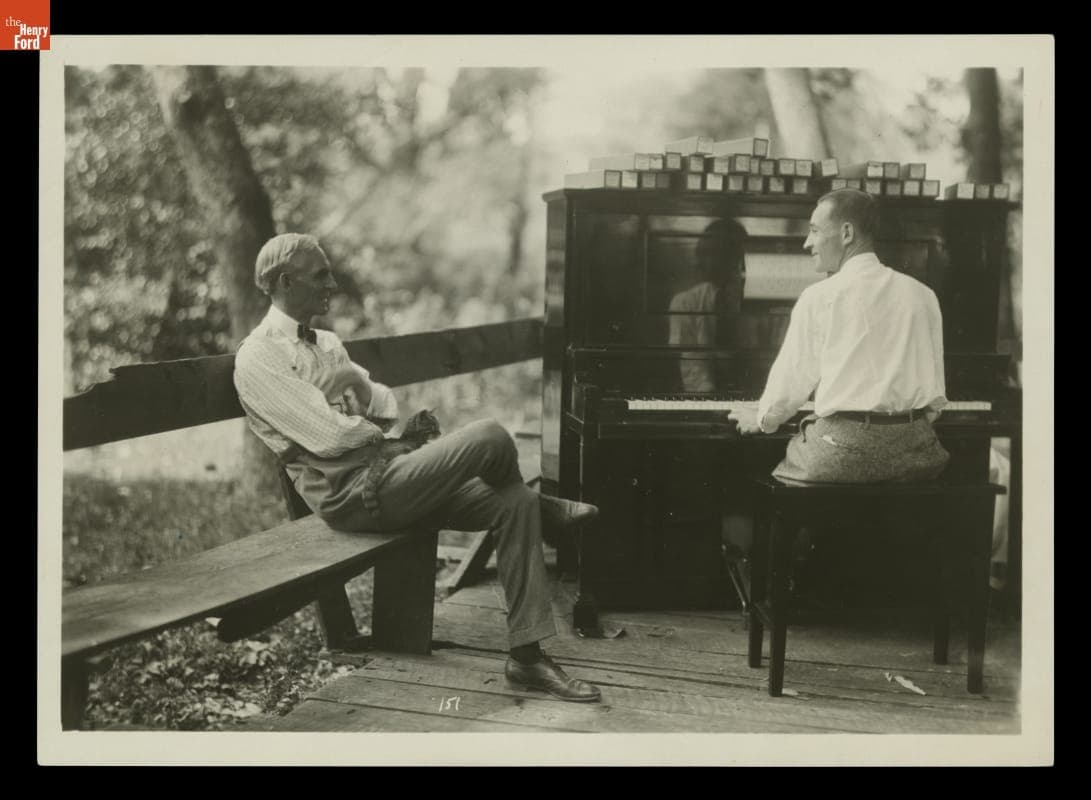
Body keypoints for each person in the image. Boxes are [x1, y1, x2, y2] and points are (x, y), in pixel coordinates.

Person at [233, 233, 602, 703]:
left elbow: (385, 404)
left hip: (391, 473)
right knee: (489, 435)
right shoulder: (258, 356)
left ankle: (527, 657)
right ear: (285, 282)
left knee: (516, 502)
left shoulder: (325, 342)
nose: (333, 282)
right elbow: (329, 438)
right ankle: (550, 514)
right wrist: (359, 416)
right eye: (320, 274)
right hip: (352, 495)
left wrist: (347, 387)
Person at [728, 189, 950, 483]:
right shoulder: (924, 295)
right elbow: (935, 399)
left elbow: (791, 381)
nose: (807, 243)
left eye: (814, 231)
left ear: (847, 233)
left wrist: (762, 419)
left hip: (843, 452)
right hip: (917, 452)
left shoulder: (819, 296)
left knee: (757, 474)